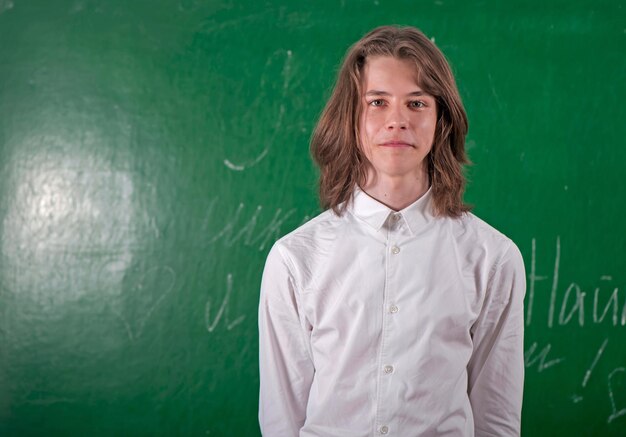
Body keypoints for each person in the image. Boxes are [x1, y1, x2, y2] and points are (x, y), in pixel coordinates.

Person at [258, 25, 525, 437]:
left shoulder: (492, 259)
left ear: (442, 121)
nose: (397, 120)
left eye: (416, 103)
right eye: (377, 102)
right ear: (350, 118)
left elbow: (496, 418)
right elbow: (282, 419)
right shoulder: (295, 260)